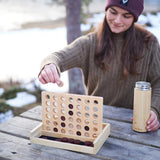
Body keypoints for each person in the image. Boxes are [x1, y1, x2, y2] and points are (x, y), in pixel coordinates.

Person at [38, 0, 160, 132]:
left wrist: (154, 110)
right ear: (106, 10)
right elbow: (57, 57)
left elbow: (157, 81)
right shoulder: (90, 43)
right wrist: (49, 66)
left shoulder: (149, 43)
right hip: (95, 125)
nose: (118, 20)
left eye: (126, 16)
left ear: (135, 17)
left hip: (135, 126)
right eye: (113, 12)